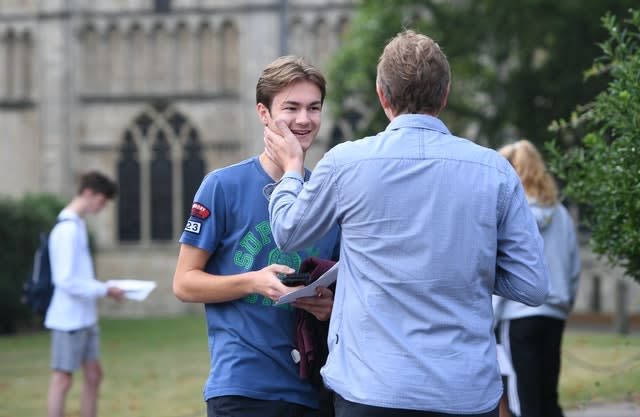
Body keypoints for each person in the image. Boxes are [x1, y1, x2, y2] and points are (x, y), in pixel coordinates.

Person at [264, 30, 550, 417]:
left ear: (383, 96)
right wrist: (462, 261)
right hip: (463, 393)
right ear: (444, 94)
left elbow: (287, 232)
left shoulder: (346, 162)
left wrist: (292, 170)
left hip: (371, 390)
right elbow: (532, 285)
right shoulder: (495, 171)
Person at [172, 55, 340, 417]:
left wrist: (329, 307)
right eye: (290, 107)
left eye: (314, 108)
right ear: (263, 113)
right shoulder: (222, 186)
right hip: (242, 389)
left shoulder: (328, 195)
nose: (303, 119)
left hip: (312, 391)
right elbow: (184, 283)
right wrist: (253, 281)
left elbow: (346, 292)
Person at [493, 140, 581, 417]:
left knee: (521, 399)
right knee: (547, 395)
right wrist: (564, 304)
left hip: (516, 315)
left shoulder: (510, 214)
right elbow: (573, 267)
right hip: (553, 313)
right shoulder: (562, 214)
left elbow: (500, 265)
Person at [44, 170, 125, 417]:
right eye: (101, 201)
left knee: (93, 375)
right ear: (88, 193)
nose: (102, 207)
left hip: (85, 316)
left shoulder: (77, 226)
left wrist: (102, 288)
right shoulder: (66, 230)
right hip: (68, 318)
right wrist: (104, 289)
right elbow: (65, 280)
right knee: (63, 379)